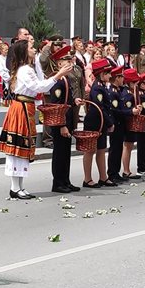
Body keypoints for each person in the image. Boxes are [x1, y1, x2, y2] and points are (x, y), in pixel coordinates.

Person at [0, 39, 73, 200]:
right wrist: (58, 75)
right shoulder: (24, 70)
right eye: (31, 48)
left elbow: (40, 81)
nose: (34, 50)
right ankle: (15, 187)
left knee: (23, 146)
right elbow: (40, 87)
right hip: (21, 108)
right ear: (25, 52)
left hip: (26, 107)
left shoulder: (28, 68)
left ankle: (19, 187)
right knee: (17, 146)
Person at [47, 46, 83, 193]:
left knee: (66, 152)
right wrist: (62, 125)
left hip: (67, 120)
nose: (70, 62)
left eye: (70, 59)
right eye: (66, 60)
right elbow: (56, 105)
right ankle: (58, 182)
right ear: (59, 63)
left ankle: (65, 180)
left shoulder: (66, 79)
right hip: (60, 122)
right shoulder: (58, 80)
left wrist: (74, 101)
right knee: (59, 153)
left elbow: (65, 99)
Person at [82, 59, 117, 188]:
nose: (110, 75)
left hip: (101, 122)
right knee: (90, 150)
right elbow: (99, 107)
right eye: (108, 73)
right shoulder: (97, 88)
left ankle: (103, 177)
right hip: (94, 122)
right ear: (102, 74)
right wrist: (110, 123)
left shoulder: (102, 86)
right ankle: (87, 179)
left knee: (101, 149)